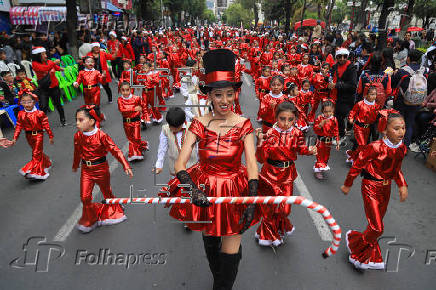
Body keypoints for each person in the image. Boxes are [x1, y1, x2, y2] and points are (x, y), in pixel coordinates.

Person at [163, 49, 260, 289]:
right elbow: (179, 164)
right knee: (212, 252)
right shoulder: (199, 124)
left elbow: (251, 163)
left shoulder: (244, 124)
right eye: (219, 95)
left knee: (227, 264)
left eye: (229, 94)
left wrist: (251, 198)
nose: (225, 100)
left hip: (234, 191)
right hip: (204, 190)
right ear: (210, 96)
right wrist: (193, 191)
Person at [341, 112, 408, 270]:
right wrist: (348, 183)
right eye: (396, 128)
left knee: (374, 226)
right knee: (378, 227)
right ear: (385, 130)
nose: (401, 132)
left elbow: (396, 170)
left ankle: (359, 243)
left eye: (403, 128)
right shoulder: (375, 147)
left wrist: (402, 185)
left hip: (386, 188)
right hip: (371, 186)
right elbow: (358, 164)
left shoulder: (402, 148)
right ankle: (358, 252)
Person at [254, 101, 316, 246]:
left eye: (290, 119)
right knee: (269, 208)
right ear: (276, 118)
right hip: (270, 175)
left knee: (285, 209)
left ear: (295, 119)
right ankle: (267, 233)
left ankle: (277, 226)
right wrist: (260, 142)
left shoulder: (296, 133)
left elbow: (300, 149)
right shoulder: (269, 133)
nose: (286, 123)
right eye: (282, 119)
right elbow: (261, 159)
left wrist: (310, 150)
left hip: (287, 176)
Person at [73, 106, 133, 233]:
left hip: (101, 169)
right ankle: (91, 218)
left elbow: (115, 150)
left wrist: (125, 165)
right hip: (86, 170)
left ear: (91, 121)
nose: (77, 123)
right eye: (76, 120)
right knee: (85, 197)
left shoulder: (101, 135)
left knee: (107, 193)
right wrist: (75, 164)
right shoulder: (78, 136)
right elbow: (77, 151)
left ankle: (113, 209)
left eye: (80, 120)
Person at [11, 92, 53, 180]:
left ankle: (36, 172)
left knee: (35, 153)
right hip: (28, 136)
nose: (26, 104)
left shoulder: (39, 113)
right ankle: (47, 163)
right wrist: (15, 138)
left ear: (34, 102)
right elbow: (18, 126)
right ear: (21, 103)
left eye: (29, 102)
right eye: (24, 102)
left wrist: (50, 136)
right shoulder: (21, 114)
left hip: (38, 135)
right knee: (37, 152)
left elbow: (46, 125)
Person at [392, 49, 423, 147]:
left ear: (408, 58)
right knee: (409, 123)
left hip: (402, 101)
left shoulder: (402, 71)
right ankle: (405, 146)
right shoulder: (424, 71)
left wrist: (394, 74)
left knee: (399, 123)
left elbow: (393, 85)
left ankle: (397, 145)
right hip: (416, 101)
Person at [346, 86, 382, 163]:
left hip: (368, 128)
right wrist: (351, 118)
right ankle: (355, 160)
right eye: (371, 94)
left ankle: (351, 154)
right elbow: (353, 112)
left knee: (364, 145)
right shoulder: (360, 104)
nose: (374, 96)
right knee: (361, 144)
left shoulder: (376, 106)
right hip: (359, 127)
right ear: (366, 95)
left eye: (375, 94)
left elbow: (377, 118)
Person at [31, 47, 66, 126]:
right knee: (43, 106)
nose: (45, 55)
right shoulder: (34, 64)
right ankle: (42, 124)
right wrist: (54, 63)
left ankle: (63, 120)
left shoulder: (49, 62)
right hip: (44, 88)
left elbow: (55, 67)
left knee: (58, 104)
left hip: (54, 86)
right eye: (43, 54)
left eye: (45, 53)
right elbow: (44, 68)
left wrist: (60, 68)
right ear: (37, 56)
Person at [330, 48, 357, 144]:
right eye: (339, 56)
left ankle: (344, 135)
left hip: (346, 98)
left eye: (344, 56)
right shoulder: (334, 67)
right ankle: (343, 134)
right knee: (338, 117)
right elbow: (332, 78)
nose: (342, 58)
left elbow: (353, 86)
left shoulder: (351, 68)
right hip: (336, 96)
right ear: (336, 57)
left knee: (344, 117)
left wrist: (337, 85)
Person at [117, 82, 149, 161]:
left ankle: (135, 154)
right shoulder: (120, 100)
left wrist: (146, 116)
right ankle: (142, 146)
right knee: (131, 139)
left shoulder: (136, 98)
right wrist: (134, 109)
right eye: (123, 90)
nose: (125, 92)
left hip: (136, 122)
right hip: (126, 122)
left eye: (127, 90)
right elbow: (122, 110)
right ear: (120, 91)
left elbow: (143, 106)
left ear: (131, 90)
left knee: (136, 137)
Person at [313, 101, 340, 179]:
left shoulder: (334, 119)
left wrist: (337, 142)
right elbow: (316, 129)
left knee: (326, 156)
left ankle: (321, 165)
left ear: (333, 111)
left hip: (329, 141)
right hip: (321, 140)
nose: (328, 114)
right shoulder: (320, 118)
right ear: (322, 111)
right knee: (320, 155)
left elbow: (336, 130)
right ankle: (318, 170)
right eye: (325, 112)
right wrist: (321, 124)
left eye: (330, 111)